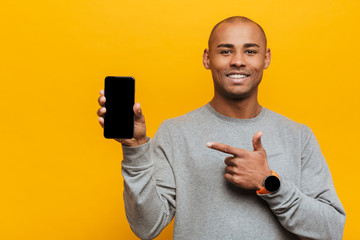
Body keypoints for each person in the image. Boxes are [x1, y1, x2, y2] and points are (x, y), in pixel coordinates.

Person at [97, 16, 346, 240]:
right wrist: (136, 149)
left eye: (250, 51)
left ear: (266, 58)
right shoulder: (175, 133)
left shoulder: (298, 136)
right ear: (207, 58)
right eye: (225, 51)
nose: (238, 61)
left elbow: (332, 230)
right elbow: (146, 227)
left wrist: (269, 183)